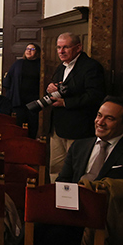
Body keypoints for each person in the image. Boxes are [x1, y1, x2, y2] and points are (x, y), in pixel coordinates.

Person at [40, 97, 123, 245]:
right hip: (71, 210)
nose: (100, 122)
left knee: (52, 234)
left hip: (105, 218)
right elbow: (63, 181)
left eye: (109, 118)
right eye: (99, 115)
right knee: (40, 220)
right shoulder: (79, 146)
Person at [46, 32, 106, 180]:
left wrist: (66, 102)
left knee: (75, 170)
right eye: (58, 47)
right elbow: (62, 89)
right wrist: (51, 88)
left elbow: (95, 96)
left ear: (78, 47)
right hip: (58, 127)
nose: (61, 51)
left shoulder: (91, 67)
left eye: (66, 47)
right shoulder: (61, 67)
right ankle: (55, 193)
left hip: (78, 128)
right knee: (55, 168)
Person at [3, 43, 42, 138]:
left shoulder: (41, 64)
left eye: (32, 49)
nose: (29, 51)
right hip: (19, 102)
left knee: (33, 126)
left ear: (37, 52)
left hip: (34, 101)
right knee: (18, 127)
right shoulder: (18, 63)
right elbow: (8, 80)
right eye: (27, 48)